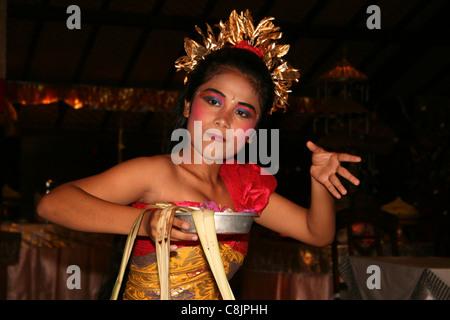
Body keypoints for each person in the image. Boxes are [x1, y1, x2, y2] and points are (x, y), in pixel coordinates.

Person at [37, 10, 361, 300]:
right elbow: (53, 204)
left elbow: (317, 233)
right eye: (214, 101)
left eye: (243, 112)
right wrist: (144, 222)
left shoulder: (246, 187)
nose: (224, 119)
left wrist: (319, 182)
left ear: (253, 130)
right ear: (189, 105)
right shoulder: (156, 173)